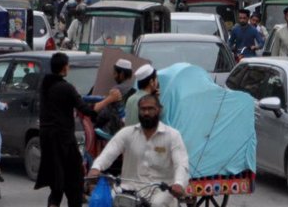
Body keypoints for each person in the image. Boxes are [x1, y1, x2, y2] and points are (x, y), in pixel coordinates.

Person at [34, 52, 122, 207]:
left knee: (56, 185)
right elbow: (88, 110)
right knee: (74, 182)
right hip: (63, 141)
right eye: (68, 65)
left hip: (47, 139)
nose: (69, 67)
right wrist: (110, 99)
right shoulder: (66, 88)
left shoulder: (45, 85)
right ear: (64, 68)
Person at [87, 94, 189, 207]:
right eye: (143, 109)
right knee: (109, 199)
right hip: (128, 188)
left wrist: (178, 183)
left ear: (159, 110)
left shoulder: (172, 136)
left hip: (161, 191)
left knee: (157, 204)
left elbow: (181, 163)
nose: (146, 113)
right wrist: (96, 168)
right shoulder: (127, 133)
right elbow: (108, 153)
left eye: (150, 109)